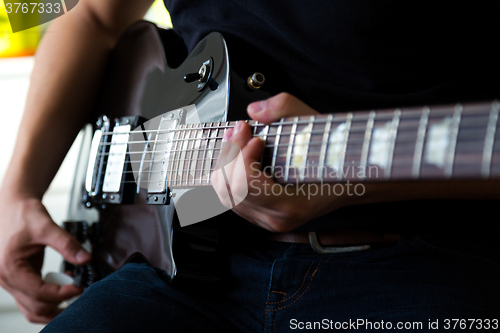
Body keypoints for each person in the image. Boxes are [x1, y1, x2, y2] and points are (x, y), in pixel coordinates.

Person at [0, 0, 499, 331]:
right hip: (178, 270)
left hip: (423, 262)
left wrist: (354, 185)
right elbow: (87, 14)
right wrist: (17, 192)